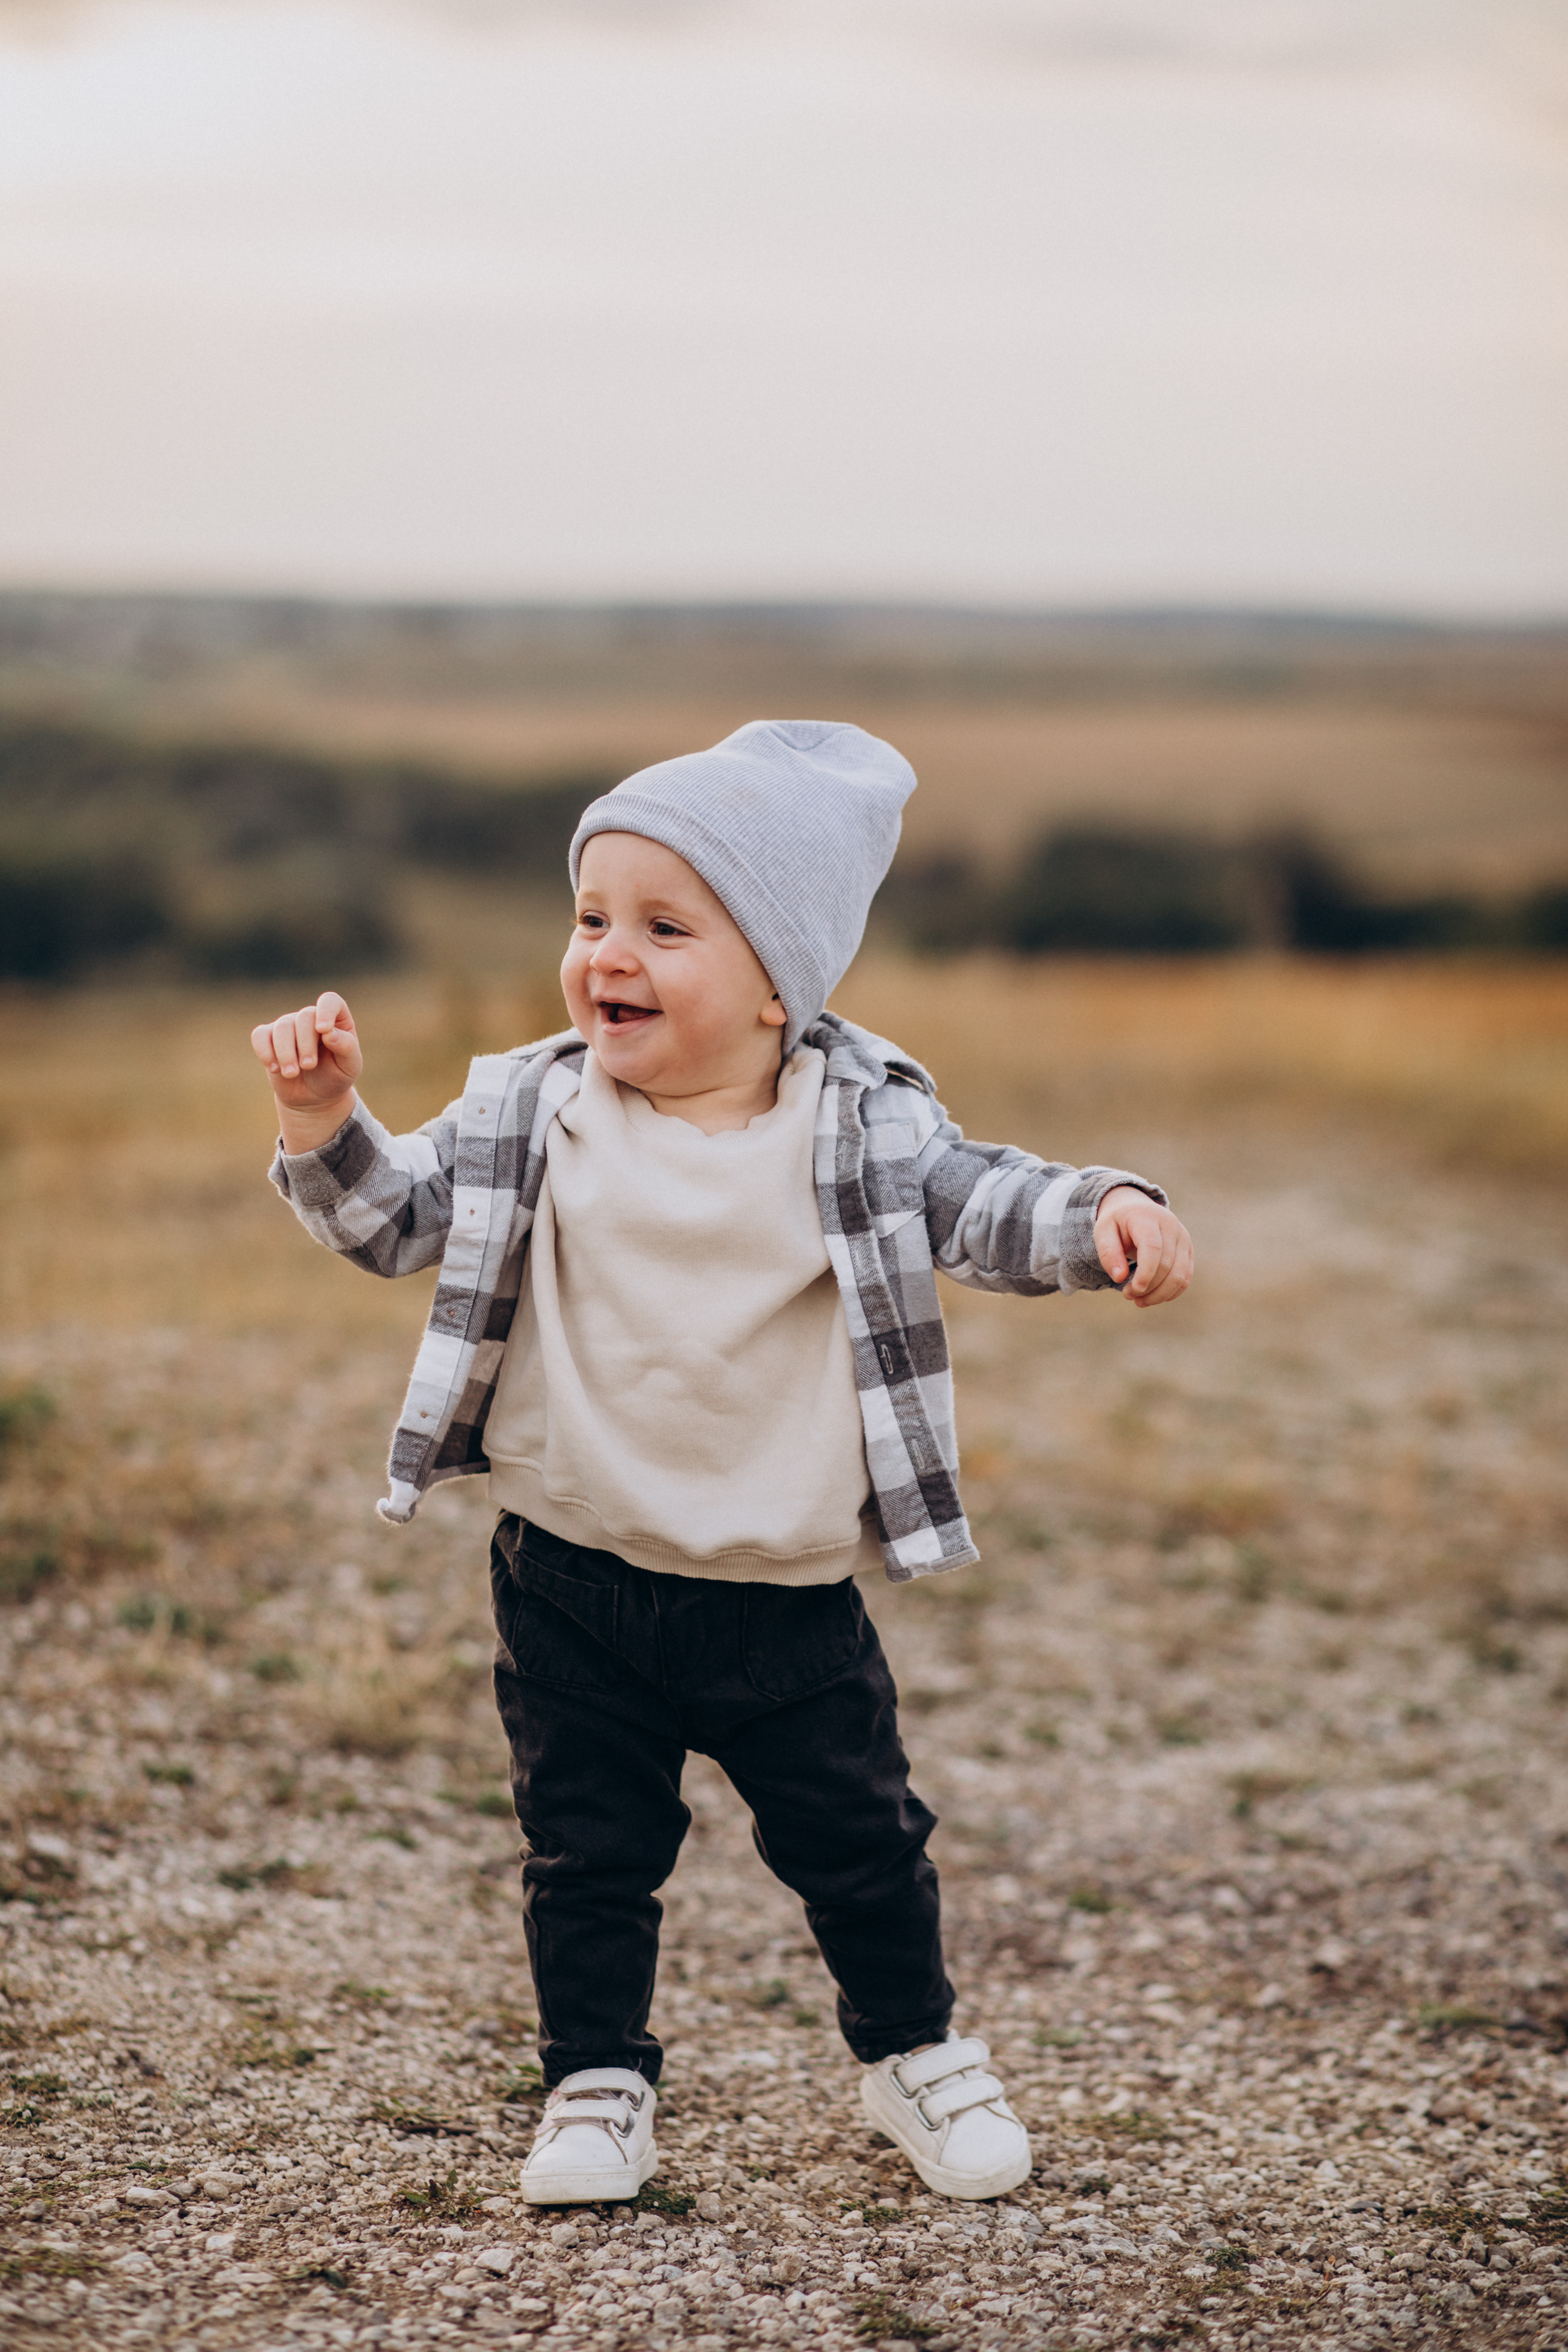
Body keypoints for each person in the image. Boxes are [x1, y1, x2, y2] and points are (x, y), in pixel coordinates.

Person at [252, 719, 1193, 2208]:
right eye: (591, 915)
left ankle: (913, 2054)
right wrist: (323, 1120)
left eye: (663, 926)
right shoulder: (532, 1108)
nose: (607, 952)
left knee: (864, 1848)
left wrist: (1106, 1212)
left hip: (783, 1592)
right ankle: (595, 2079)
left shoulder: (859, 1123)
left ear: (778, 985)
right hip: (569, 1571)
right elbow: (391, 1220)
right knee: (586, 1853)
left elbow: (987, 1199)